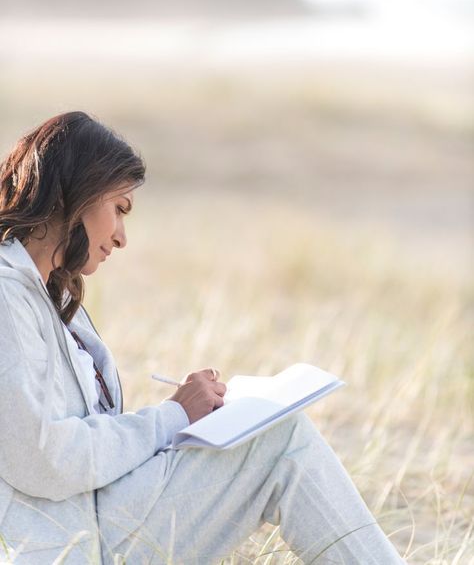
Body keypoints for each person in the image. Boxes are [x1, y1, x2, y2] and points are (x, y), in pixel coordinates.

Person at [0, 111, 405, 564]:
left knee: (274, 430)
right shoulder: (6, 296)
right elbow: (42, 458)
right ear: (76, 193)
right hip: (72, 549)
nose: (121, 237)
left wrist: (191, 427)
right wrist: (171, 416)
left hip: (98, 526)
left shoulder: (48, 298)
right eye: (119, 209)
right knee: (281, 441)